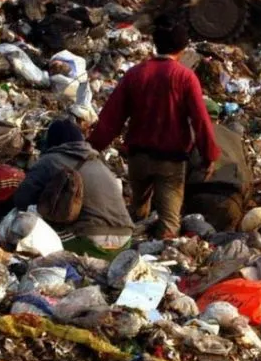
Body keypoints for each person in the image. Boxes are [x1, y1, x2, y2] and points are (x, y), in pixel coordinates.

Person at [89, 17, 219, 239]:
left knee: (138, 211)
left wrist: (92, 147)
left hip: (138, 158)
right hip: (171, 162)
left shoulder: (136, 73)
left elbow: (112, 117)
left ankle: (131, 246)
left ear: (155, 44)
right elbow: (200, 119)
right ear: (182, 48)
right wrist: (209, 155)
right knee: (169, 223)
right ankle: (160, 260)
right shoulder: (185, 77)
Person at [13, 119, 134, 258]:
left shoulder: (49, 160)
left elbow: (21, 200)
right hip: (124, 245)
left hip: (89, 243)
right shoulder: (98, 162)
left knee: (24, 224)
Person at [183, 123, 252, 232]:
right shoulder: (234, 138)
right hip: (232, 200)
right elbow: (247, 176)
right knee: (226, 242)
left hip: (198, 196)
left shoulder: (190, 130)